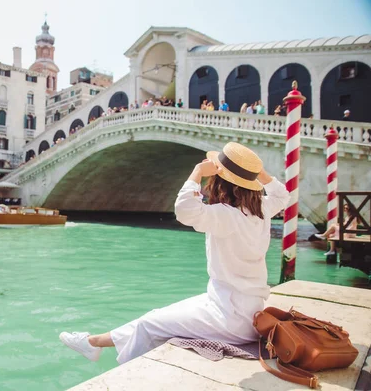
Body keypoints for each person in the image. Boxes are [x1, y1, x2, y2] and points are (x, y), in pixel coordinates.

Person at [59, 142, 290, 365]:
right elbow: (282, 196)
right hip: (248, 311)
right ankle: (93, 343)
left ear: (222, 181)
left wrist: (197, 172)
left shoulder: (225, 215)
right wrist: (258, 173)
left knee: (150, 324)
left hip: (229, 316)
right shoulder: (261, 211)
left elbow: (184, 210)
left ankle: (129, 374)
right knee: (157, 316)